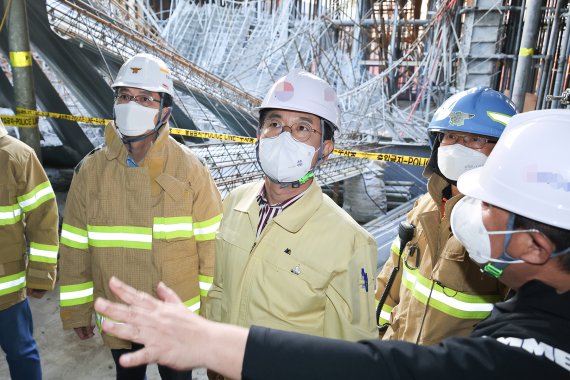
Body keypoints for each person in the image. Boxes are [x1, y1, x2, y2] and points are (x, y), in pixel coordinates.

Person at [95, 109, 570, 379]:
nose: (467, 206)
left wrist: (211, 343)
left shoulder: (528, 356)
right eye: (274, 125)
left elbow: (375, 364)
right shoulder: (234, 202)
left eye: (488, 202)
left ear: (534, 246)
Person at [58, 53, 222, 380]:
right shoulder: (91, 171)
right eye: (125, 96)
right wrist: (77, 311)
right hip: (121, 314)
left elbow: (213, 247)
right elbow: (75, 246)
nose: (132, 105)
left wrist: (210, 318)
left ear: (166, 111)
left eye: (146, 98)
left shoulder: (191, 170)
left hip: (175, 317)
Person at [203, 69, 377, 342]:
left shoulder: (351, 242)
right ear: (259, 134)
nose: (284, 136)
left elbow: (350, 348)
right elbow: (219, 288)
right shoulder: (235, 202)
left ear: (326, 149)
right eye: (274, 124)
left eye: (302, 128)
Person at [375, 87, 517, 344]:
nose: (458, 147)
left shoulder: (506, 226)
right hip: (398, 357)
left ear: (503, 151)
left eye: (475, 140)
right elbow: (390, 280)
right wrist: (379, 336)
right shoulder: (423, 207)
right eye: (451, 136)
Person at [0, 121, 59, 379]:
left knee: (20, 353)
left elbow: (44, 220)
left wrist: (41, 274)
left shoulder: (17, 156)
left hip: (7, 291)